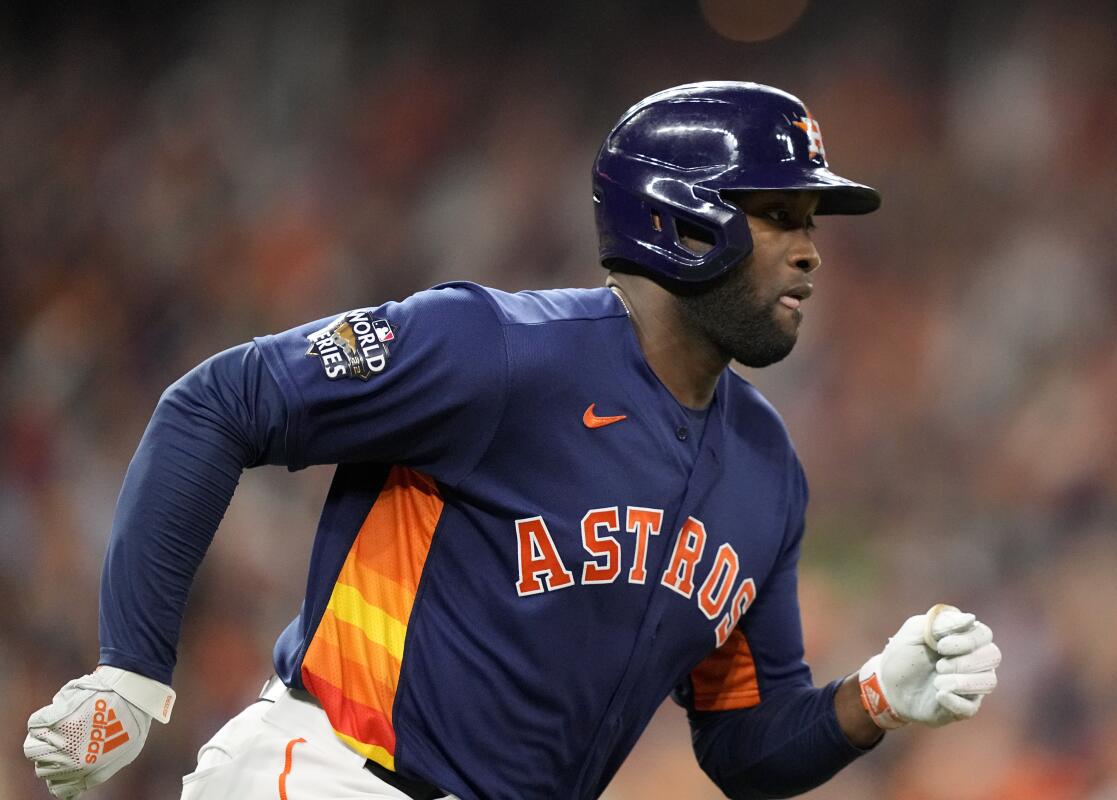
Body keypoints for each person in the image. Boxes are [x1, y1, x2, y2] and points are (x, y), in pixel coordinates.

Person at [24, 81, 1000, 800]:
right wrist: (134, 663)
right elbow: (217, 402)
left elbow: (745, 742)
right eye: (779, 213)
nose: (811, 246)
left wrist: (874, 697)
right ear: (680, 222)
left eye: (811, 219)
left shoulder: (767, 472)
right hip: (337, 776)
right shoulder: (496, 350)